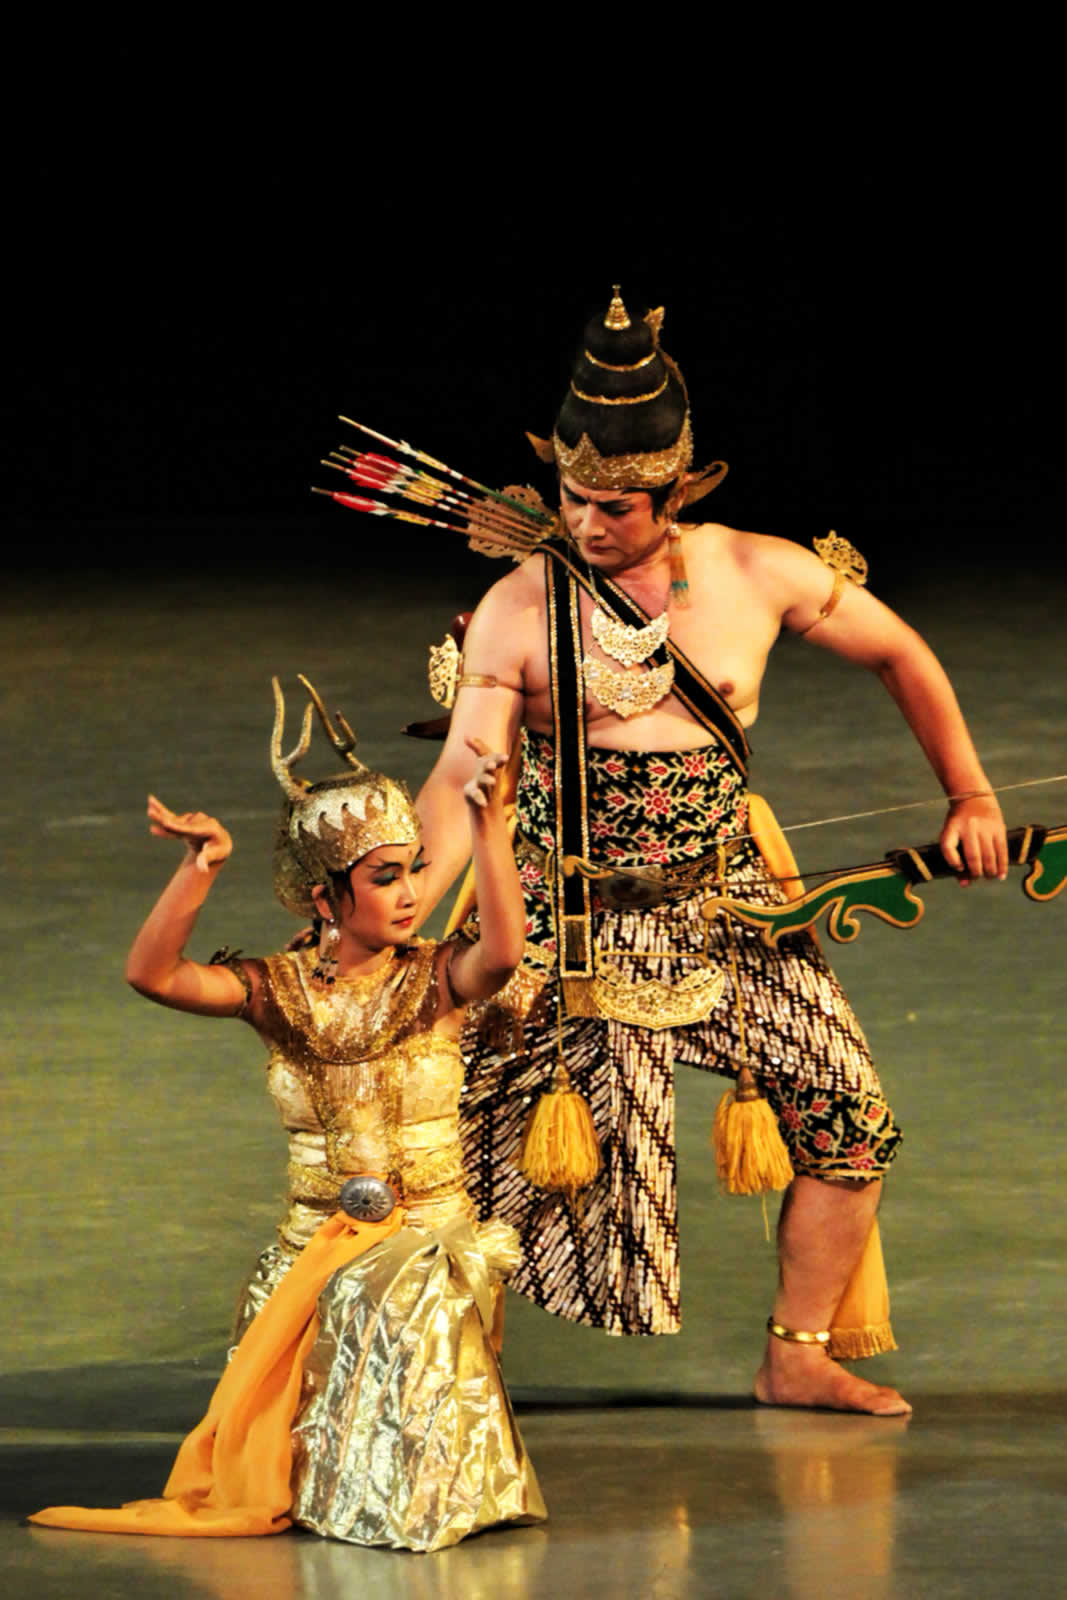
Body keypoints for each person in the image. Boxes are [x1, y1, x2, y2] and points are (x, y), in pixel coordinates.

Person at [415, 288, 1009, 1418]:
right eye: (573, 498)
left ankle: (796, 1354)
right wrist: (401, 905)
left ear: (675, 490)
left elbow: (897, 651)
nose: (590, 523)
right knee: (470, 1137)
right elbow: (463, 775)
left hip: (728, 906)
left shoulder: (751, 573)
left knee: (848, 1116)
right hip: (563, 911)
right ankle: (454, 1367)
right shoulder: (514, 606)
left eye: (620, 505)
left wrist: (968, 792)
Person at [31, 676, 545, 1551]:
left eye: (413, 871)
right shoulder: (278, 992)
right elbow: (153, 976)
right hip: (311, 1242)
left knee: (396, 1305)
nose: (410, 894)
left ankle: (407, 1501)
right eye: (384, 878)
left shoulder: (436, 981)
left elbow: (503, 948)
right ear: (323, 898)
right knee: (314, 1307)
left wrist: (490, 830)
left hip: (422, 1239)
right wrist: (201, 869)